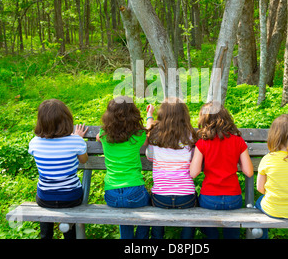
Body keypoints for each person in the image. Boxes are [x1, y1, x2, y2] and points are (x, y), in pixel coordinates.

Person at [190, 101, 253, 239]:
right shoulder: (238, 141)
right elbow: (248, 172)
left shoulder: (202, 143)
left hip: (209, 199)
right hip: (233, 198)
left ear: (204, 120)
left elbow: (193, 173)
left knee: (210, 234)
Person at [28, 99, 89, 239]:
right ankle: (69, 235)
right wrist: (77, 139)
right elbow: (84, 161)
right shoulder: (76, 141)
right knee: (65, 202)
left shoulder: (34, 142)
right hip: (71, 197)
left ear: (41, 122)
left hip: (45, 197)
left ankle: (46, 235)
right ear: (66, 120)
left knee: (47, 199)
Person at [96, 96, 150, 239]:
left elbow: (97, 137)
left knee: (124, 210)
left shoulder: (104, 135)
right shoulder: (138, 135)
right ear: (133, 114)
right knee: (149, 203)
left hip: (111, 195)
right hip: (135, 191)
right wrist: (149, 116)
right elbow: (147, 139)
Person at [145, 98, 198, 239]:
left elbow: (150, 157)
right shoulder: (190, 135)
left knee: (157, 218)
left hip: (160, 198)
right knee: (190, 219)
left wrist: (149, 115)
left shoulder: (155, 136)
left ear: (162, 114)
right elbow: (193, 159)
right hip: (186, 197)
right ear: (184, 115)